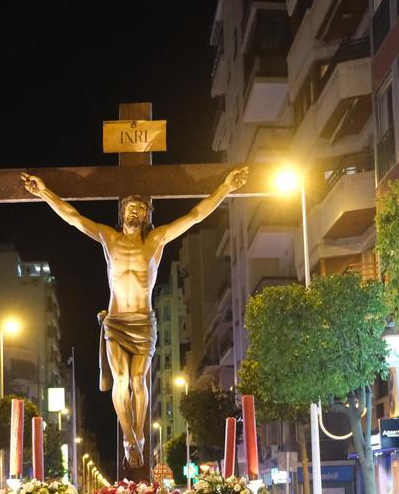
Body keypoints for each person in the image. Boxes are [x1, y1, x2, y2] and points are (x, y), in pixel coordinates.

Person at [23, 166, 248, 467]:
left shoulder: (155, 241)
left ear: (147, 216)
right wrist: (44, 192)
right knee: (121, 377)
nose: (135, 212)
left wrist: (225, 188)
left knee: (139, 379)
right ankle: (130, 437)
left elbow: (194, 215)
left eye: (141, 209)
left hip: (143, 322)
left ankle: (139, 435)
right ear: (122, 212)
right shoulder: (109, 238)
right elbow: (74, 217)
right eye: (130, 208)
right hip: (116, 322)